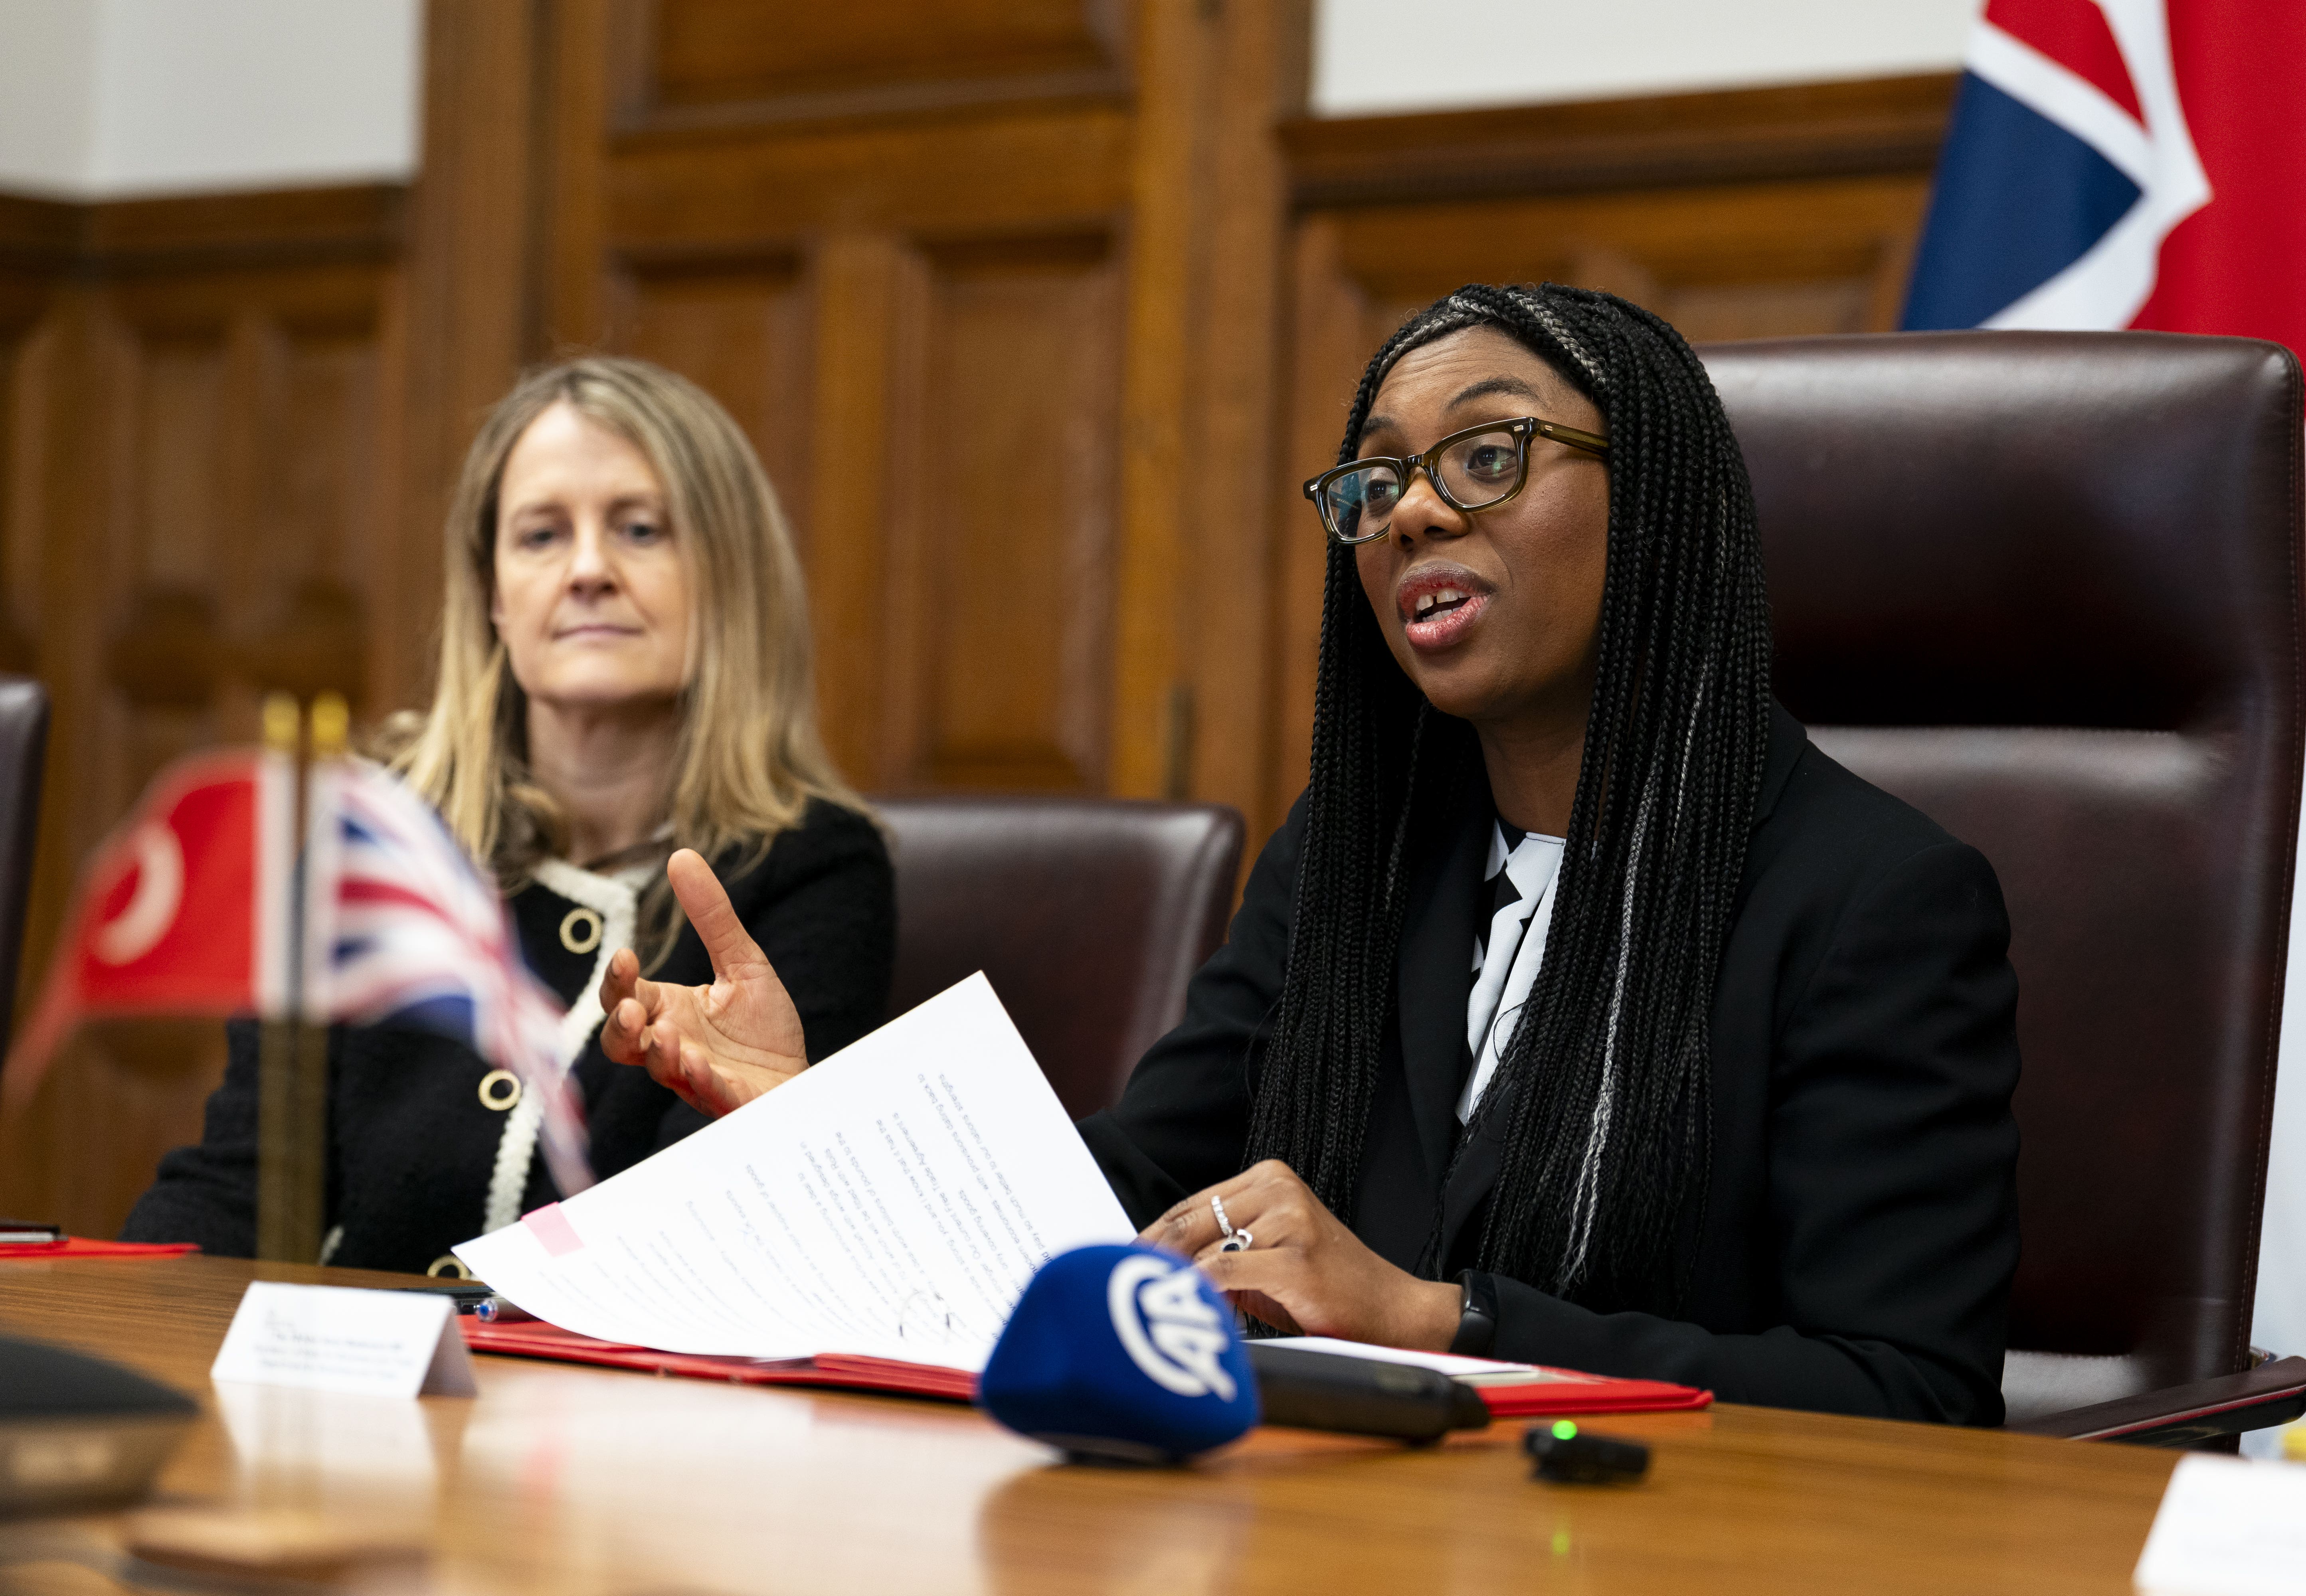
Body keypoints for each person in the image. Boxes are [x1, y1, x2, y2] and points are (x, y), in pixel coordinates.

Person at [599, 285, 2022, 1424]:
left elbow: (1906, 1394)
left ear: (1654, 501)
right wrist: (826, 1121)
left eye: (1488, 453)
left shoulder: (1872, 901)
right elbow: (1124, 1199)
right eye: (1379, 481)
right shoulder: (1352, 864)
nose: (1410, 511)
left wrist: (1442, 1323)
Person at [123, 357, 894, 1274]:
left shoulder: (814, 869)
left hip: (615, 1409)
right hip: (339, 1396)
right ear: (492, 594)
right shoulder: (379, 844)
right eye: (540, 535)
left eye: (640, 529)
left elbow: (718, 1245)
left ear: (729, 579)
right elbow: (238, 1181)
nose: (589, 570)